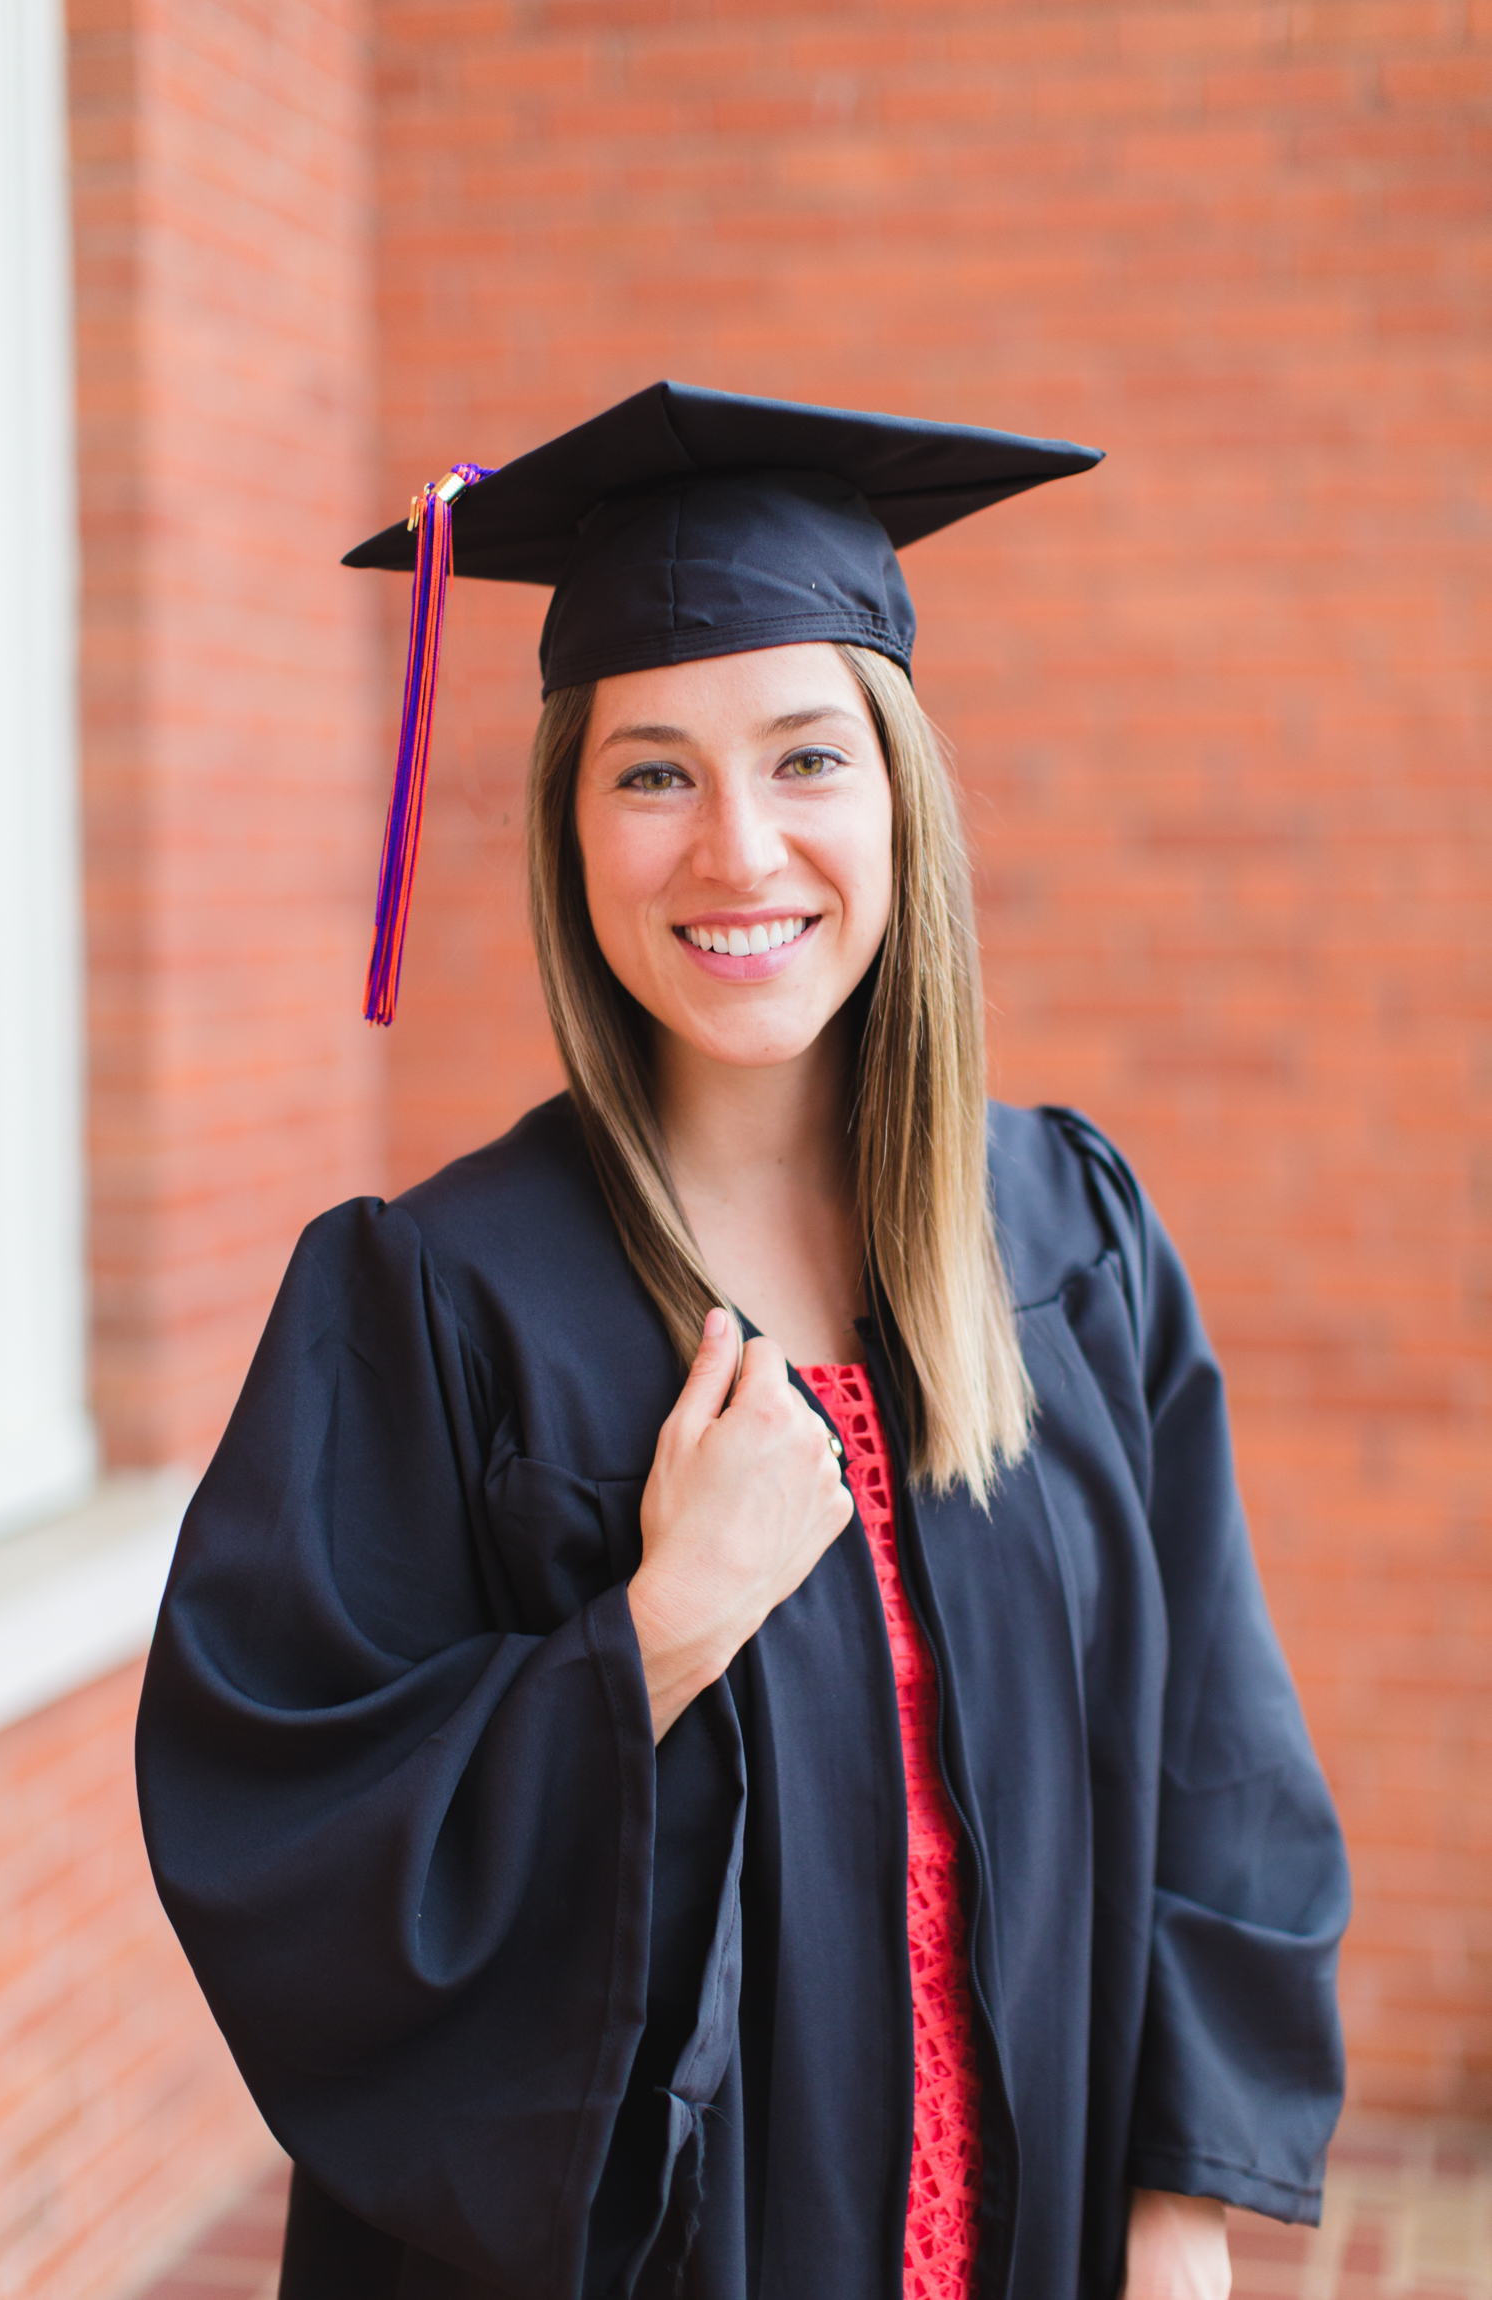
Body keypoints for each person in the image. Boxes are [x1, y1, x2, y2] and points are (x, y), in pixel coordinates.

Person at [136, 383, 1349, 2300]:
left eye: (804, 758)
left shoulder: (1069, 1240)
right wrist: (653, 1635)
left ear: (897, 795)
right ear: (567, 821)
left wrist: (1176, 2213)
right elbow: (286, 1847)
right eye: (650, 773)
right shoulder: (433, 1308)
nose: (736, 850)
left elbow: (1216, 1757)